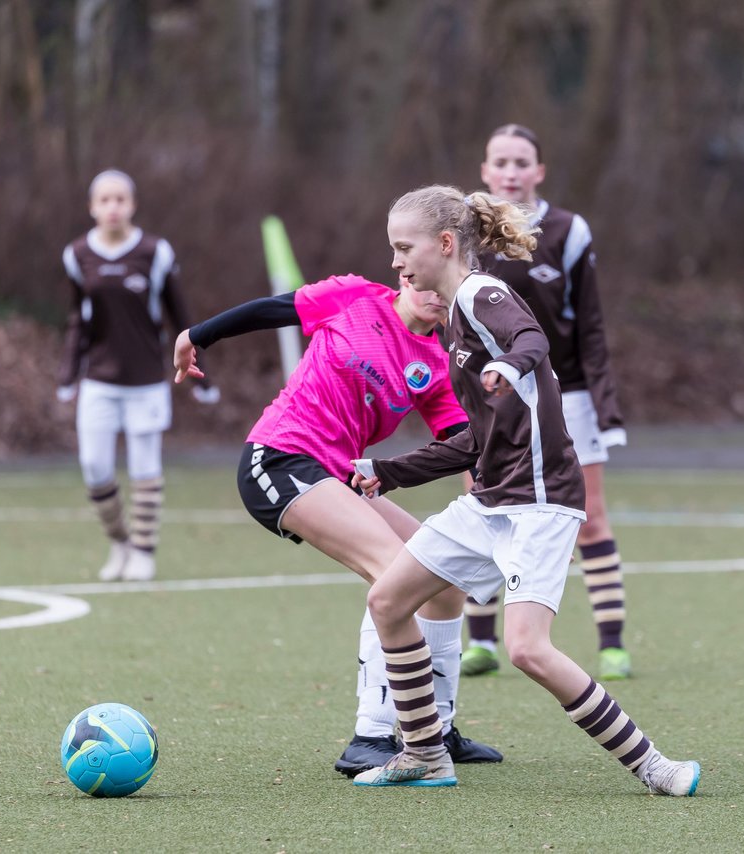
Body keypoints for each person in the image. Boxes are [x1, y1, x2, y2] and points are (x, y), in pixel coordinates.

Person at [348, 185, 699, 795]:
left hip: (540, 501)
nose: (397, 263)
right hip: (490, 502)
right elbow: (475, 442)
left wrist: (510, 365)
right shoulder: (455, 319)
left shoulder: (484, 295)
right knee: (387, 602)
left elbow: (531, 341)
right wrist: (390, 470)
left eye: (404, 248)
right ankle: (425, 755)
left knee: (528, 651)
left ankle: (654, 765)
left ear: (446, 243)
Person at [171, 271, 503, 777]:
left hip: (337, 477)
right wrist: (196, 336)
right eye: (428, 282)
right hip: (278, 459)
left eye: (448, 287)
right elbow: (271, 309)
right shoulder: (355, 296)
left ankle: (436, 726)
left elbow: (465, 447)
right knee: (400, 574)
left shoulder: (438, 364)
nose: (438, 293)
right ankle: (370, 735)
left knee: (444, 576)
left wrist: (500, 504)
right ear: (407, 273)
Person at [459, 124, 632, 681]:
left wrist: (606, 409)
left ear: (539, 171)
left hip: (568, 395)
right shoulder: (462, 231)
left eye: (521, 162)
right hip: (494, 396)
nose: (510, 171)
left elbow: (593, 329)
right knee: (485, 510)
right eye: (500, 161)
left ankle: (612, 643)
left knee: (592, 516)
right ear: (485, 170)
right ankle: (480, 640)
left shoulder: (567, 231)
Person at [57, 169, 220, 583]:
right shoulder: (77, 255)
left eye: (120, 199)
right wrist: (68, 372)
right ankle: (120, 543)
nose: (113, 207)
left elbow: (181, 317)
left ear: (132, 204)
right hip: (99, 381)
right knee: (95, 466)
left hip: (147, 380)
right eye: (105, 200)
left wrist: (202, 375)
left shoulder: (155, 252)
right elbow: (78, 318)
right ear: (92, 207)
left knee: (145, 466)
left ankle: (144, 552)